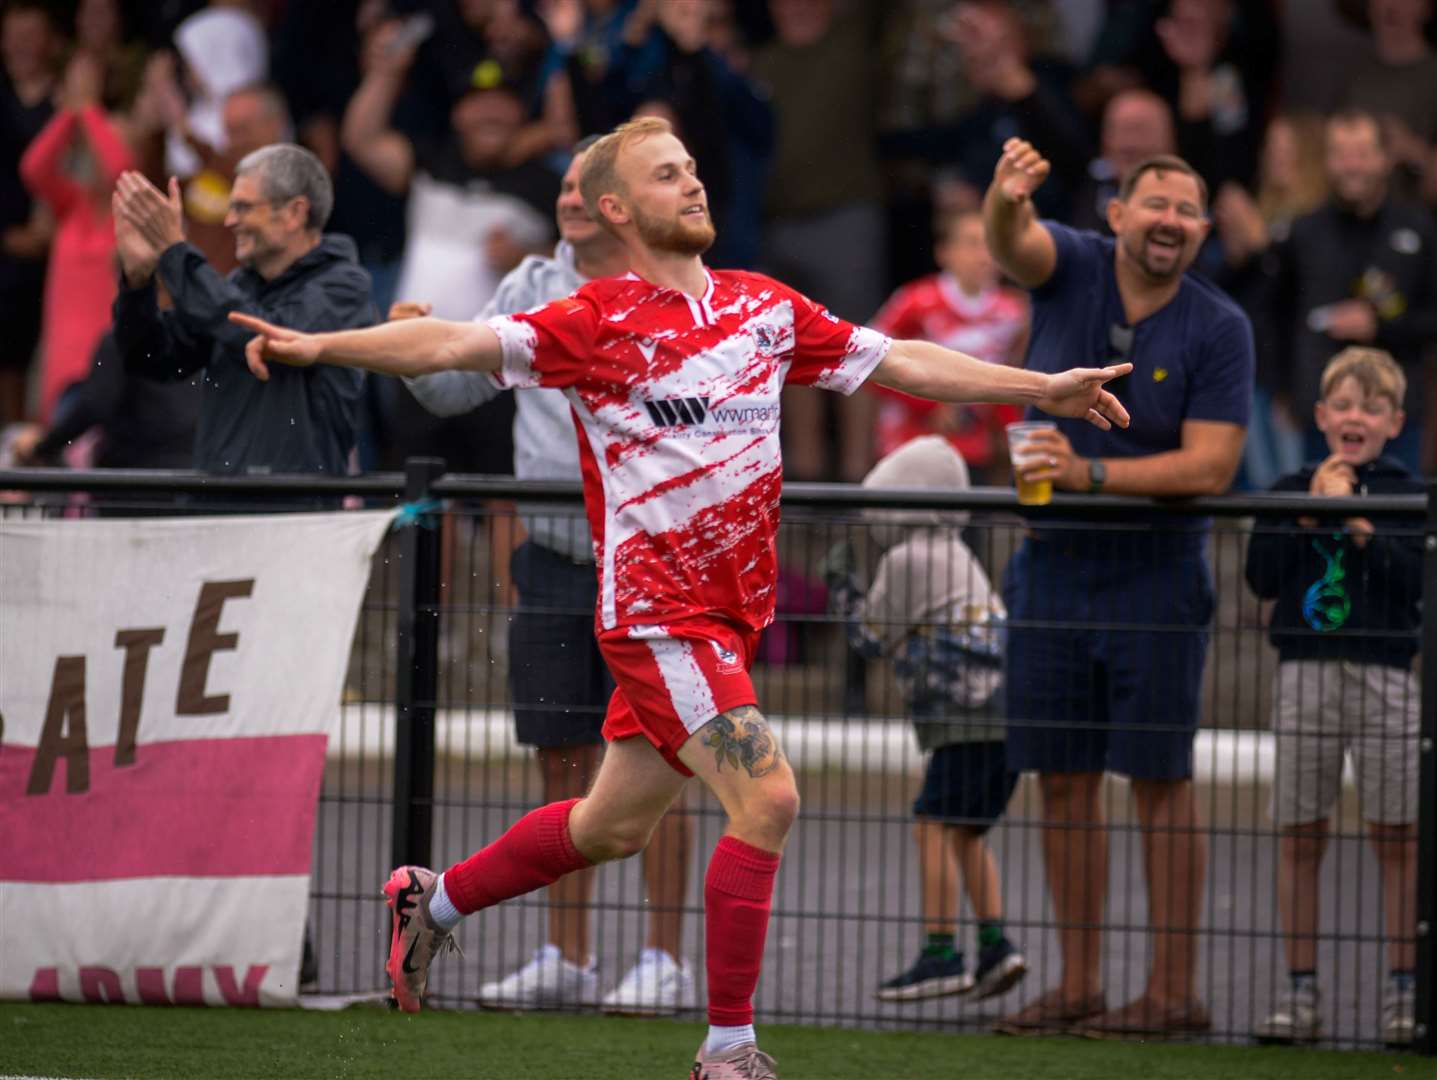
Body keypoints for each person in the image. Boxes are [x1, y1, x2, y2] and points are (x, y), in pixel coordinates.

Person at [229, 116, 1131, 1079]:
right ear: (616, 208)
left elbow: (900, 359)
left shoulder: (762, 306)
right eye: (667, 175)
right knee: (770, 797)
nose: (692, 184)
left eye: (693, 168)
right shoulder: (593, 319)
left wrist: (1043, 388)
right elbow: (447, 345)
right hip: (658, 620)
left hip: (727, 623)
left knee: (607, 828)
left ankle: (431, 899)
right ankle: (728, 1047)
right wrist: (319, 347)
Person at [395, 136, 698, 1016]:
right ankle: (567, 957)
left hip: (647, 565)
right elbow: (456, 393)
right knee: (558, 762)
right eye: (562, 188)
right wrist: (417, 343)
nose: (568, 200)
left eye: (581, 188)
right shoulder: (528, 285)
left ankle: (662, 958)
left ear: (613, 203)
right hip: (554, 560)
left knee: (656, 769)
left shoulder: (666, 284)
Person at [982, 138, 1254, 1038]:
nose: (1169, 221)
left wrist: (1085, 474)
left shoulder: (1219, 326)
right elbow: (1010, 243)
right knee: (1060, 779)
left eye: (1186, 210)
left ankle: (1173, 994)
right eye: (1155, 204)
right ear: (1116, 216)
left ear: (1204, 230)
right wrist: (1004, 195)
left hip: (1157, 569)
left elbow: (1212, 466)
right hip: (1049, 566)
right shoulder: (1071, 266)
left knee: (1158, 779)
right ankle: (1080, 983)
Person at [1245, 346, 1422, 1048]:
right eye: (1343, 405)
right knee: (1298, 831)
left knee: (1397, 835)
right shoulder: (1289, 485)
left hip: (1385, 678)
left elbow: (1412, 583)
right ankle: (1298, 990)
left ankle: (1404, 990)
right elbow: (1260, 577)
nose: (1355, 417)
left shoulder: (1409, 493)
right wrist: (1311, 514)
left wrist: (1355, 520)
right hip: (1302, 673)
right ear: (1320, 416)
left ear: (1393, 422)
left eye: (1371, 408)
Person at [821, 435, 1027, 1005]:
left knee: (932, 822)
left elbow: (868, 638)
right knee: (965, 831)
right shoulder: (955, 548)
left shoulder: (908, 558)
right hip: (1004, 715)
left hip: (965, 716)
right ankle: (995, 945)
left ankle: (941, 953)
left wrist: (840, 583)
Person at [110, 143, 375, 477]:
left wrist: (175, 253)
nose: (230, 221)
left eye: (244, 207)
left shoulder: (344, 288)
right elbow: (151, 359)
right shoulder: (234, 288)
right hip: (217, 508)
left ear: (295, 212)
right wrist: (138, 283)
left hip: (296, 514)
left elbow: (269, 337)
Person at [1262, 109, 1437, 474]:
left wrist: (1380, 327)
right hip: (1320, 411)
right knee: (1316, 521)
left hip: (1396, 414)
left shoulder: (1419, 229)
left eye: (1361, 153)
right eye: (1340, 154)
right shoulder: (1303, 231)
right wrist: (1283, 390)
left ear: (1385, 158)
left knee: (1397, 525)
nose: (1350, 166)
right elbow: (1275, 316)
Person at [866, 209, 1028, 484]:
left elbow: (1007, 379)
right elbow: (866, 362)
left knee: (970, 524)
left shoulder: (1012, 311)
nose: (984, 256)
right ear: (944, 252)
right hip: (910, 444)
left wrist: (1013, 433)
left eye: (992, 245)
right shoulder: (915, 302)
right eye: (972, 244)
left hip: (976, 451)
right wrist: (930, 405)